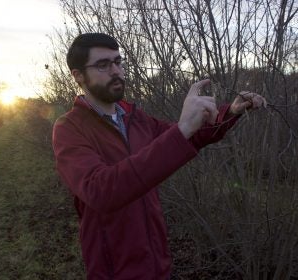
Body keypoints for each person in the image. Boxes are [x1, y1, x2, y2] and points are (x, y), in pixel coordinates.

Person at [52, 33, 266, 280]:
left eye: (118, 62)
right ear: (78, 76)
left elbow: (187, 137)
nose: (116, 71)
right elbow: (101, 191)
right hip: (114, 270)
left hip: (156, 262)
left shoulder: (135, 118)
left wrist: (230, 112)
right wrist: (183, 128)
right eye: (103, 65)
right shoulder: (69, 128)